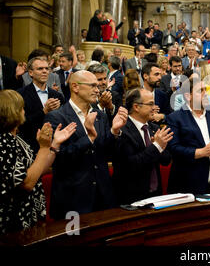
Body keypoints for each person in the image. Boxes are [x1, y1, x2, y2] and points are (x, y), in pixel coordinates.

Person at [44, 70, 128, 219]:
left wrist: (114, 132)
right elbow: (59, 159)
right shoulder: (56, 117)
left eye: (97, 85)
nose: (98, 90)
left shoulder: (100, 115)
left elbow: (107, 153)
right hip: (73, 199)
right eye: (92, 86)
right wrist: (88, 139)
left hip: (103, 197)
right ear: (75, 87)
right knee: (75, 241)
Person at [0, 90, 76, 235]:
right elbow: (26, 183)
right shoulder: (3, 141)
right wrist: (43, 147)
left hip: (29, 216)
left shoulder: (16, 137)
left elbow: (37, 170)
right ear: (11, 111)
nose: (24, 111)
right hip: (13, 221)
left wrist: (54, 145)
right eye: (22, 108)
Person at [166, 77, 210, 194]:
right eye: (200, 91)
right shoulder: (175, 118)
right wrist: (200, 152)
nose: (205, 94)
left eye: (206, 90)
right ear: (188, 96)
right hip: (188, 186)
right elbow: (173, 148)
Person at [113, 89, 172, 204]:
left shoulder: (154, 128)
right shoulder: (122, 129)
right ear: (136, 107)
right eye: (150, 104)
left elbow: (166, 160)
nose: (154, 108)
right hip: (131, 199)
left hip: (155, 196)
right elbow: (131, 164)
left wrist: (160, 147)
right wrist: (156, 147)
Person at [17, 57, 65, 153]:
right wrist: (44, 111)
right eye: (40, 69)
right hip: (30, 145)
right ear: (30, 73)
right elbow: (20, 124)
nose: (45, 71)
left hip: (54, 146)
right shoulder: (20, 94)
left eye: (47, 69)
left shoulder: (57, 95)